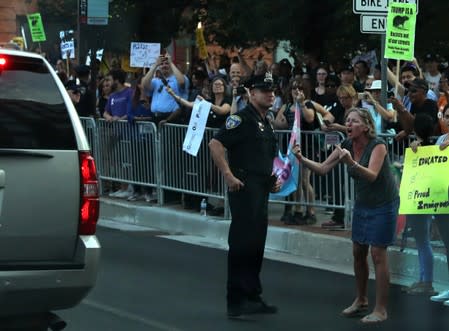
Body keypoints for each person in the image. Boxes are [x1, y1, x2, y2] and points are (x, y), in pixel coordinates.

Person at [292, 107, 399, 324]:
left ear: (366, 126)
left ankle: (381, 309)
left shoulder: (378, 145)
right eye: (347, 120)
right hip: (363, 204)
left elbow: (371, 176)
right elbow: (322, 169)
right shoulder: (347, 145)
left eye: (354, 121)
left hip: (384, 204)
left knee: (378, 253)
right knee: (358, 251)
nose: (348, 124)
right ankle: (361, 300)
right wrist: (301, 158)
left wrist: (351, 163)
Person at [208, 72, 281, 318]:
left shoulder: (266, 121)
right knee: (242, 243)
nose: (270, 94)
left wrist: (271, 180)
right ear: (250, 92)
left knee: (256, 243)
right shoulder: (240, 119)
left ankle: (252, 294)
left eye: (272, 90)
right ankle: (236, 299)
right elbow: (215, 144)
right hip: (243, 186)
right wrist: (228, 175)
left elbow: (264, 155)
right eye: (263, 90)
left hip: (260, 188)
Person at [403, 113, 438, 295]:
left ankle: (427, 282)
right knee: (421, 241)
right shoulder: (433, 148)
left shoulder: (417, 150)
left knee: (422, 242)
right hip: (426, 199)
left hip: (418, 199)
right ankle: (423, 279)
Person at [428, 104, 449, 306]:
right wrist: (418, 149)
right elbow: (432, 164)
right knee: (447, 245)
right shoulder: (442, 139)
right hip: (444, 200)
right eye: (447, 116)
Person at [142, 53, 188, 126]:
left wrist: (171, 62)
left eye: (167, 63)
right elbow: (144, 84)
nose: (164, 66)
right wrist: (155, 65)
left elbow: (182, 82)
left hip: (172, 118)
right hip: (155, 118)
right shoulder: (156, 81)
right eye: (162, 64)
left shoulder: (178, 78)